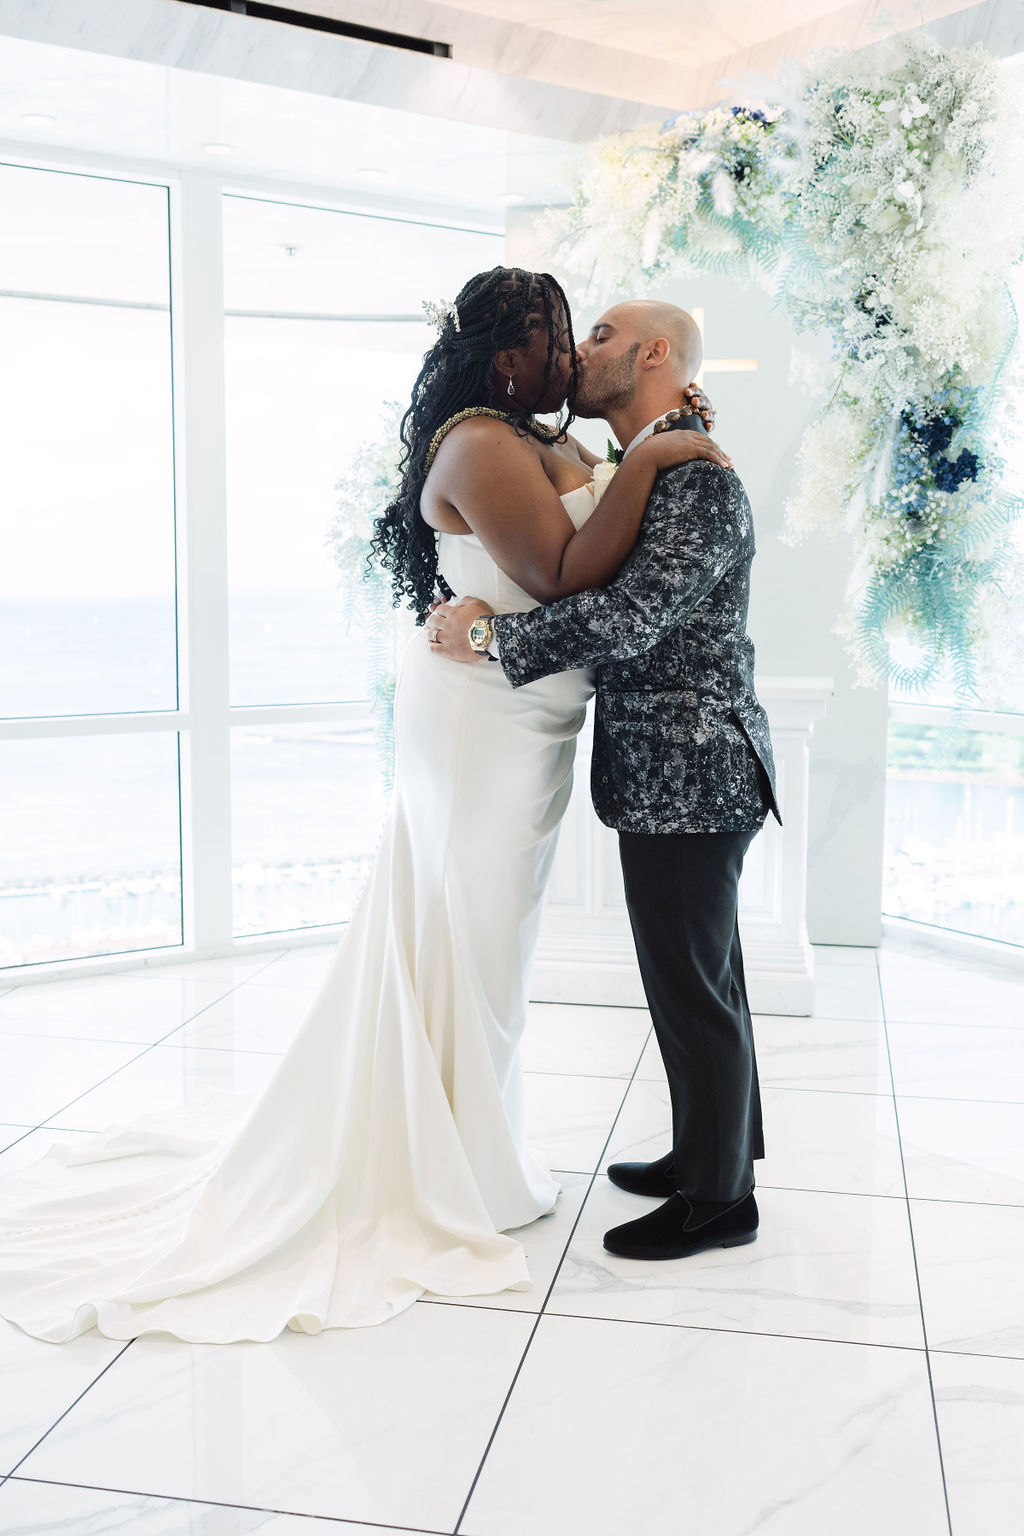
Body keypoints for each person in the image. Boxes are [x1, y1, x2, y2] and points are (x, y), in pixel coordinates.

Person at [0, 270, 729, 1342]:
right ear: (498, 358)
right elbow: (566, 567)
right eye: (549, 338)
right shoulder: (480, 439)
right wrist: (651, 457)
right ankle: (449, 1173)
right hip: (480, 717)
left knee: (492, 940)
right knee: (469, 931)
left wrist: (635, 454)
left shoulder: (552, 438)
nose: (568, 355)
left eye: (580, 332)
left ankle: (475, 1143)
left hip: (534, 720)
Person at [428, 299, 781, 1262]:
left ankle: (719, 1201)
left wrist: (490, 634)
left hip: (695, 769)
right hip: (677, 772)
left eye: (601, 337)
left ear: (656, 354)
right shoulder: (654, 459)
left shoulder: (697, 482)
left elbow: (629, 616)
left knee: (693, 983)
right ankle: (714, 1155)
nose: (580, 351)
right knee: (701, 980)